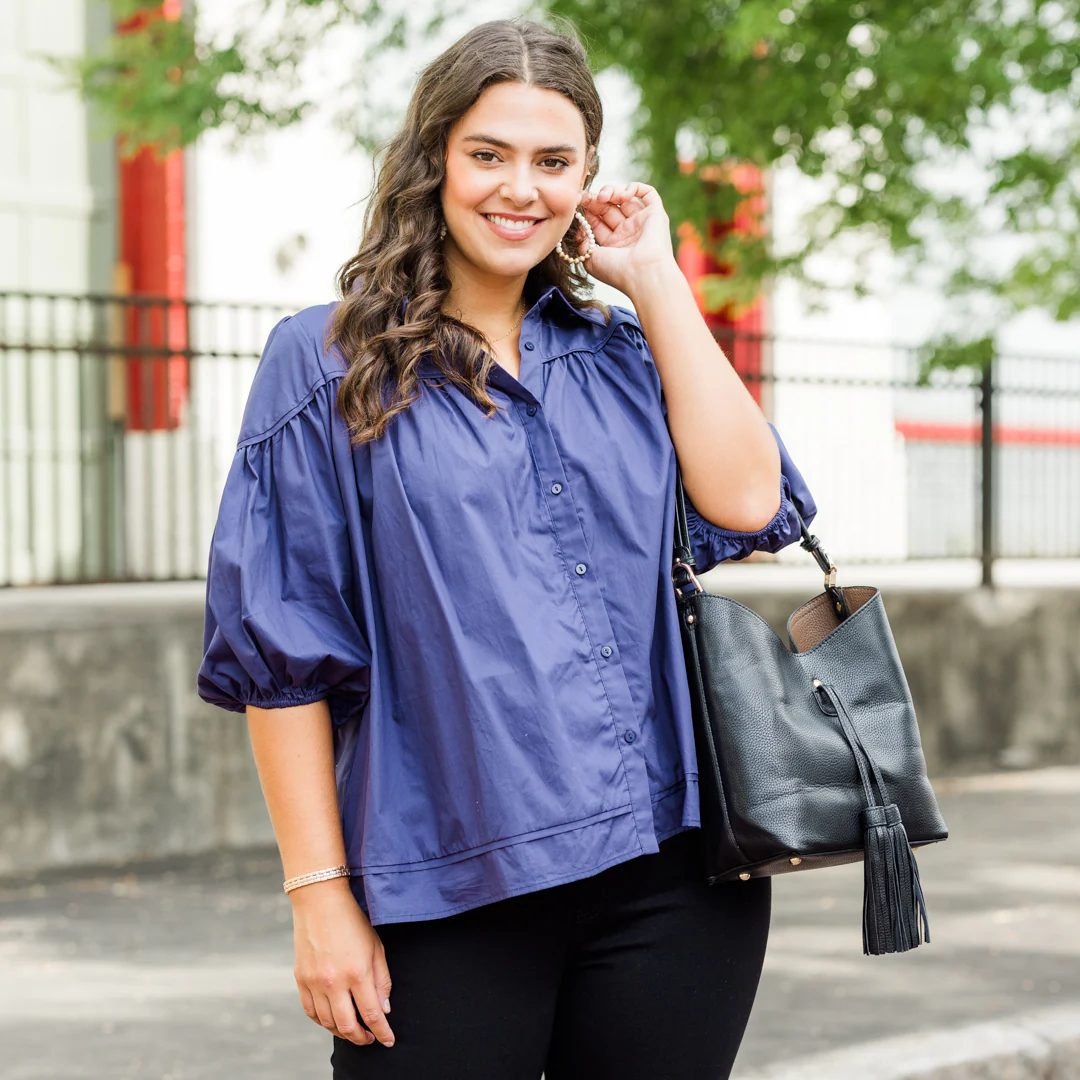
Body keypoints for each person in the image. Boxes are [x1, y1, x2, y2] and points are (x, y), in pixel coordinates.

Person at [197, 16, 818, 1079]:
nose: (518, 188)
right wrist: (318, 898)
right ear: (434, 157)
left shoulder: (624, 352)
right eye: (489, 154)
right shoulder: (326, 363)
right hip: (444, 886)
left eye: (552, 162)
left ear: (586, 177)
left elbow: (751, 499)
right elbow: (283, 653)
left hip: (674, 879)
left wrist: (657, 280)